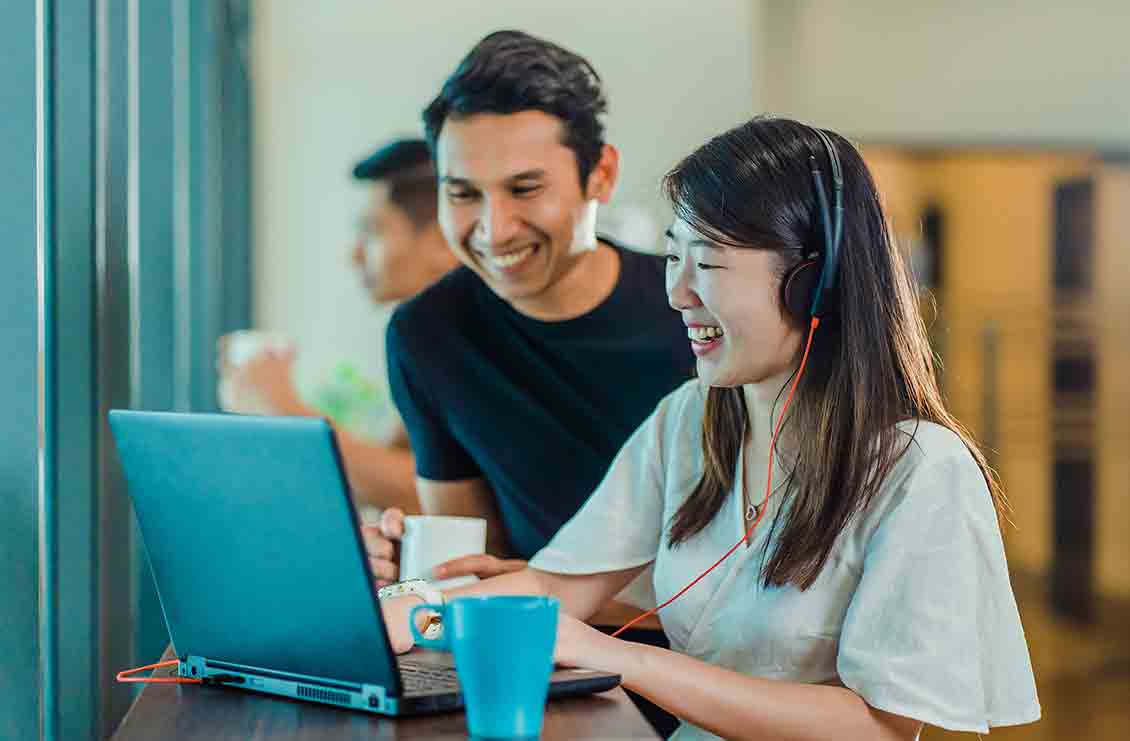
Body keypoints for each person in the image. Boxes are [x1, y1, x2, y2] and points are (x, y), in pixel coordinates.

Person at [381, 118, 1042, 740]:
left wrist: (624, 660)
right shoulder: (688, 419)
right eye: (675, 258)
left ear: (811, 283)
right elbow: (556, 586)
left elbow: (875, 727)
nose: (678, 293)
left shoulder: (923, 471)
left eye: (709, 263)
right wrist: (408, 603)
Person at [364, 31, 693, 736]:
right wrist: (399, 567)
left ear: (600, 174)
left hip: (702, 672)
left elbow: (768, 590)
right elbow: (462, 547)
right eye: (463, 193)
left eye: (525, 188)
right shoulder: (428, 333)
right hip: (533, 671)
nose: (493, 229)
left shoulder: (693, 317)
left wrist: (550, 595)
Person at [218, 139, 458, 512]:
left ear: (442, 240)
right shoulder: (423, 341)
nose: (355, 255)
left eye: (373, 231)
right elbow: (394, 482)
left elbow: (437, 497)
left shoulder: (468, 341)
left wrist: (285, 411)